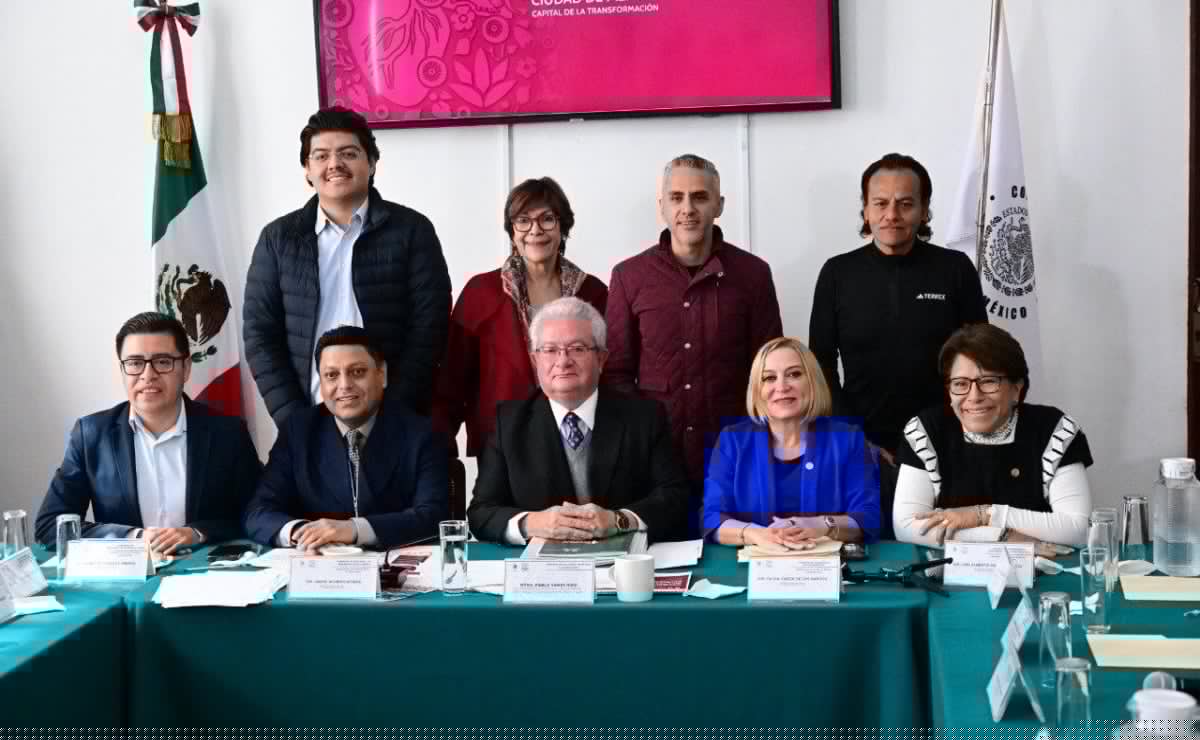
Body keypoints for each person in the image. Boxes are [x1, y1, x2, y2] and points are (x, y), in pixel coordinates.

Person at [808, 152, 987, 539]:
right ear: (866, 210)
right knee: (866, 548)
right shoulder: (837, 273)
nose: (892, 214)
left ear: (924, 211)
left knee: (942, 545)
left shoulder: (954, 269)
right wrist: (852, 436)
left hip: (946, 441)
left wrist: (957, 430)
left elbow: (979, 360)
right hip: (862, 445)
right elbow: (819, 365)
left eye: (906, 204)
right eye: (881, 203)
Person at [604, 153, 782, 533]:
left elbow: (772, 371)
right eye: (677, 197)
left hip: (737, 457)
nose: (688, 209)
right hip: (653, 464)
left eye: (700, 197)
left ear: (719, 205)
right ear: (662, 207)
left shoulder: (753, 275)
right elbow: (616, 373)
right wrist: (643, 436)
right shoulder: (628, 277)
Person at [243, 106, 451, 426]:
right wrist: (293, 419)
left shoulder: (412, 231)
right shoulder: (278, 239)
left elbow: (430, 327)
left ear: (371, 163)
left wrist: (396, 410)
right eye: (321, 155)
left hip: (393, 417)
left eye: (348, 153)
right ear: (307, 170)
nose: (334, 164)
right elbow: (260, 335)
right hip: (308, 414)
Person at [468, 297, 689, 544]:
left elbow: (676, 498)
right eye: (550, 350)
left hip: (624, 568)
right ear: (535, 360)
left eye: (577, 348)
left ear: (602, 359)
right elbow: (481, 513)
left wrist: (619, 520)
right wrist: (532, 523)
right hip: (541, 573)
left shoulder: (644, 417)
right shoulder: (509, 423)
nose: (563, 361)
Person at [35, 312, 260, 553]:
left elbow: (257, 515)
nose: (148, 375)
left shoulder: (228, 433)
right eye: (134, 363)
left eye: (163, 361)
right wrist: (133, 537)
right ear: (122, 370)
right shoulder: (91, 434)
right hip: (126, 580)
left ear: (185, 368)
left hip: (203, 576)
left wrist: (197, 533)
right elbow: (50, 526)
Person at [432, 176, 607, 459]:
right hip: (501, 444)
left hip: (579, 441)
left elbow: (607, 373)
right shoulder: (481, 292)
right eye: (523, 221)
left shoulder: (593, 292)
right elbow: (452, 380)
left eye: (547, 219)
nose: (535, 230)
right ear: (512, 231)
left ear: (563, 227)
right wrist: (438, 447)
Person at [244, 326, 448, 552]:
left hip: (396, 571)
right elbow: (258, 511)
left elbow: (434, 516)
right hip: (318, 570)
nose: (344, 385)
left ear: (382, 375)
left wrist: (354, 529)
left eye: (358, 372)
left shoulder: (421, 433)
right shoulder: (298, 431)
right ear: (321, 383)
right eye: (331, 375)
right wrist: (302, 533)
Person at [893, 323, 1092, 547]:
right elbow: (907, 526)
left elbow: (1078, 530)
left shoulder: (1054, 430)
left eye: (988, 381)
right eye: (960, 384)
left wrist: (986, 515)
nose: (974, 396)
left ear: (1017, 388)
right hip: (947, 574)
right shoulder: (925, 430)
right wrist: (1002, 537)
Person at [704, 338, 879, 547]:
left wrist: (823, 524)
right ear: (757, 389)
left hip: (828, 567)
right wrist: (756, 534)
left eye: (794, 374)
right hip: (754, 566)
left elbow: (868, 518)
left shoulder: (848, 439)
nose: (782, 386)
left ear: (813, 381)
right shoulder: (733, 440)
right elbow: (712, 518)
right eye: (769, 378)